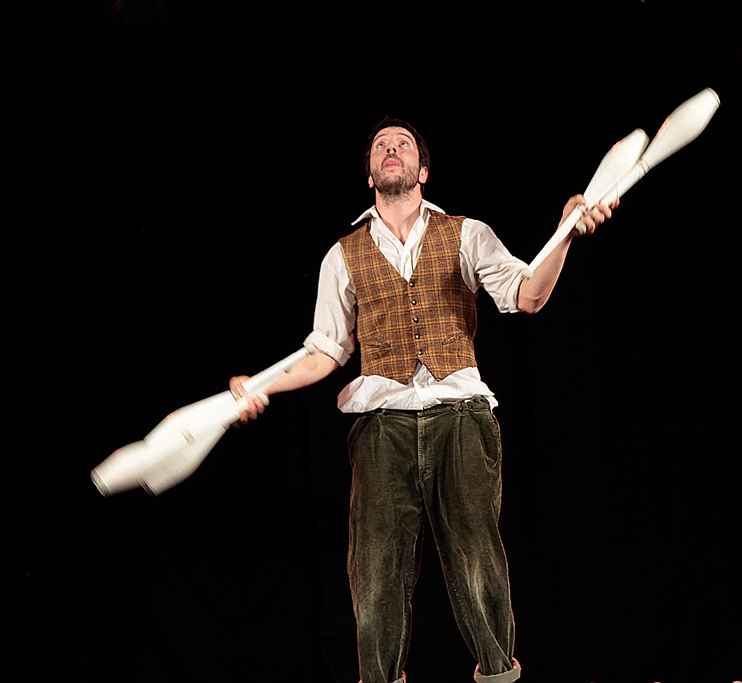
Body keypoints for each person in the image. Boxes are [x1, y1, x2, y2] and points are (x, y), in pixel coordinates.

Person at [231, 117, 616, 683]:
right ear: (370, 174)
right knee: (376, 573)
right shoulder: (341, 256)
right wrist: (260, 386)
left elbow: (526, 294)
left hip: (460, 417)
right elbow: (325, 352)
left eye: (403, 143)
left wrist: (564, 233)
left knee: (476, 560)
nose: (391, 148)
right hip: (381, 426)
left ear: (423, 170)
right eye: (380, 145)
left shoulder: (466, 233)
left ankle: (498, 675)